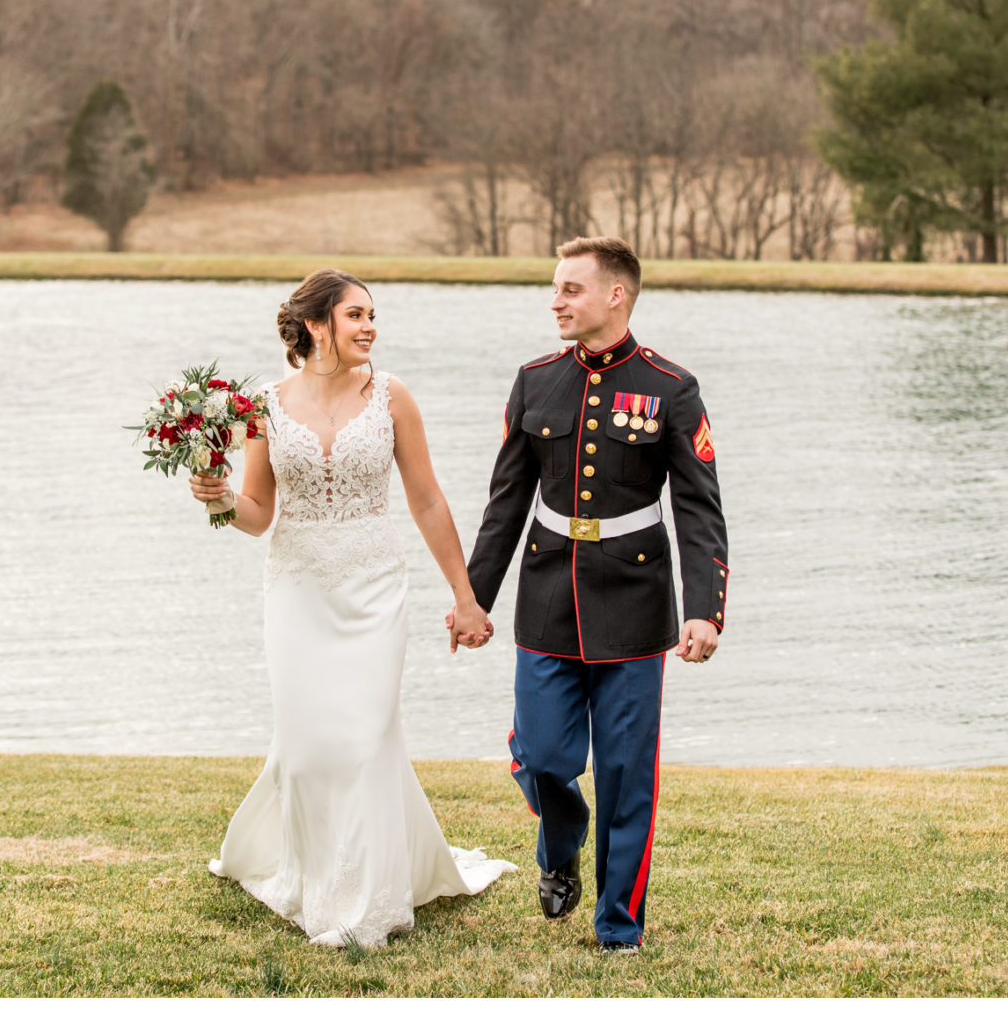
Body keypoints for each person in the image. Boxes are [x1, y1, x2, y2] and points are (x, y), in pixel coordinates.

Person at [186, 268, 515, 949]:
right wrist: (216, 496)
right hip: (298, 588)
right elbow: (257, 513)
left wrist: (465, 594)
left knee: (364, 740)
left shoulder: (392, 397)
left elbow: (426, 500)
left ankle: (367, 903)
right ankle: (312, 882)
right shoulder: (264, 406)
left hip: (373, 587)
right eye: (355, 315)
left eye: (373, 315)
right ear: (315, 325)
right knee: (308, 751)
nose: (369, 327)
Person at [450, 236, 729, 954]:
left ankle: (618, 928)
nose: (556, 301)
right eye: (555, 288)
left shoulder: (671, 387)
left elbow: (699, 508)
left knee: (625, 771)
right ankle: (561, 841)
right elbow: (505, 503)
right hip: (546, 595)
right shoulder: (535, 380)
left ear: (616, 295)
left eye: (571, 289)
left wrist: (705, 609)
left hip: (636, 603)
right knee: (540, 755)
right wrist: (473, 597)